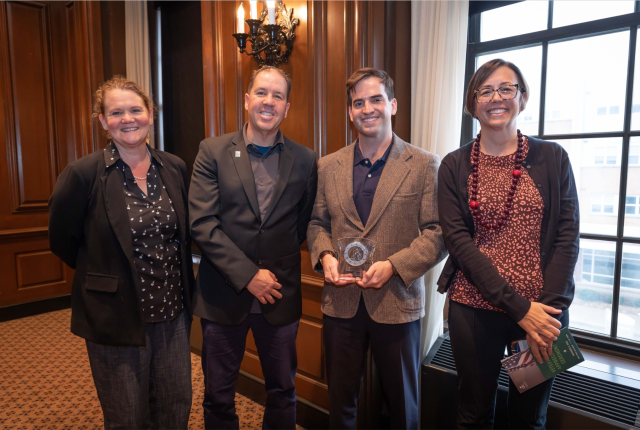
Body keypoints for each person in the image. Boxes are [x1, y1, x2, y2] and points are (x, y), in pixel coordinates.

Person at [437, 58, 580, 429]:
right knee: (474, 414)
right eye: (484, 91)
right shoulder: (453, 166)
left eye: (505, 88)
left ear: (523, 97)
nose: (495, 97)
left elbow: (567, 236)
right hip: (473, 310)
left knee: (530, 418)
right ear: (472, 103)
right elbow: (459, 242)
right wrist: (518, 307)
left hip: (541, 314)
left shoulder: (553, 158)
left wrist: (547, 313)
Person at [48, 76, 194, 429]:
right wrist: (104, 272)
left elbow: (182, 235)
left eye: (135, 110)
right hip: (116, 315)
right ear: (103, 121)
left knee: (175, 407)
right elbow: (62, 240)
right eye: (116, 112)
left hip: (172, 314)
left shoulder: (173, 167)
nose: (127, 119)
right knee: (127, 416)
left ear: (150, 114)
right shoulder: (82, 174)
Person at [307, 67, 447, 429]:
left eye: (376, 99)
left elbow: (438, 232)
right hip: (341, 302)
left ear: (392, 105)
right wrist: (324, 256)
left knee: (403, 405)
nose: (367, 108)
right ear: (350, 111)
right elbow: (316, 223)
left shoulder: (425, 164)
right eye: (358, 102)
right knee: (341, 403)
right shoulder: (327, 166)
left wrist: (395, 266)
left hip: (397, 302)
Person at [189, 66, 317, 429]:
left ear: (287, 107)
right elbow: (202, 223)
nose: (269, 101)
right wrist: (248, 276)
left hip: (279, 294)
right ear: (247, 100)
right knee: (218, 394)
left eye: (278, 96)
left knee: (283, 391)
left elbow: (300, 225)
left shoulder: (306, 159)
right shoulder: (212, 151)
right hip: (222, 295)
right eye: (262, 93)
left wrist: (268, 272)